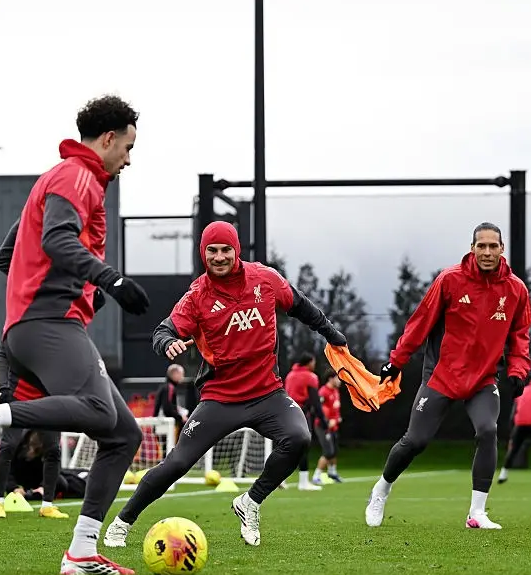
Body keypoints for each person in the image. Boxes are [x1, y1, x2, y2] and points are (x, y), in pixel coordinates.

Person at [0, 95, 149, 575]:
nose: (129, 159)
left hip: (40, 324)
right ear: (109, 138)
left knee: (122, 434)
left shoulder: (59, 180)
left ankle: (80, 552)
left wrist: (78, 290)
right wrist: (110, 280)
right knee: (100, 411)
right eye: (129, 146)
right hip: (46, 325)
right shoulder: (77, 176)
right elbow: (57, 240)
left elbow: (6, 255)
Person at [103, 221, 348, 548]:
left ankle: (250, 502)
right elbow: (163, 331)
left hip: (268, 393)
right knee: (176, 463)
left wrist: (332, 334)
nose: (218, 257)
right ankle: (122, 522)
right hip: (220, 399)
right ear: (203, 253)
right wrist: (167, 344)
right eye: (211, 251)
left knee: (299, 437)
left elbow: (302, 306)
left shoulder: (265, 278)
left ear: (237, 250)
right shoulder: (197, 296)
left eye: (225, 250)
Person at [366, 222, 531, 530]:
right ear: (472, 248)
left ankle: (477, 513)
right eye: (480, 246)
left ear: (501, 249)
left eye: (492, 246)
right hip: (441, 376)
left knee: (487, 430)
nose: (486, 251)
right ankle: (381, 489)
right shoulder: (450, 280)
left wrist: (518, 369)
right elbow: (420, 323)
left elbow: (520, 335)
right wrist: (396, 362)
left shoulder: (516, 290)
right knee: (415, 441)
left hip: (482, 380)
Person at [0, 341, 66, 519]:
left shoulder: (56, 327)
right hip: (18, 395)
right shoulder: (17, 322)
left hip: (48, 397)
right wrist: (3, 387)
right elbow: (3, 352)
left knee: (53, 449)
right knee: (8, 446)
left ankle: (47, 505)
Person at [283, 353, 328, 491]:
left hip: (286, 411)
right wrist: (323, 420)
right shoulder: (310, 377)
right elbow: (315, 400)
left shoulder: (290, 375)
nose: (314, 365)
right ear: (308, 363)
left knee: (286, 446)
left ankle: (280, 478)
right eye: (313, 362)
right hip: (301, 413)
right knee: (303, 446)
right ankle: (303, 482)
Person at [312, 370, 344, 484]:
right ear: (331, 379)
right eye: (337, 378)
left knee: (334, 451)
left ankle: (332, 473)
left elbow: (335, 409)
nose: (340, 381)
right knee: (328, 452)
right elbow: (320, 409)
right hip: (323, 427)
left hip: (333, 427)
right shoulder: (323, 391)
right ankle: (316, 476)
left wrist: (337, 418)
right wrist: (327, 421)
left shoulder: (336, 391)